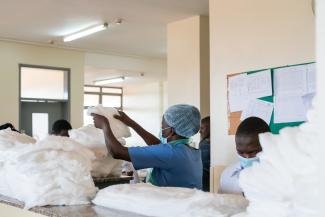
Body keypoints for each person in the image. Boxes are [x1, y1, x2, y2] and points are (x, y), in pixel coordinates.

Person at [92, 104, 203, 189]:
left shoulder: (171, 153)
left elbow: (117, 152)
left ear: (171, 131)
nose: (161, 127)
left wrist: (104, 125)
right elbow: (158, 146)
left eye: (163, 125)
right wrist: (131, 123)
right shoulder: (190, 151)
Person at [219, 117, 270, 194]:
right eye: (240, 152)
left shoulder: (279, 177)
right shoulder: (227, 175)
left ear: (267, 146)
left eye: (252, 152)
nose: (247, 157)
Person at [199, 116, 210, 192]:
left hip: (205, 182)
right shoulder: (205, 143)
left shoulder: (204, 144)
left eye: (202, 128)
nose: (200, 131)